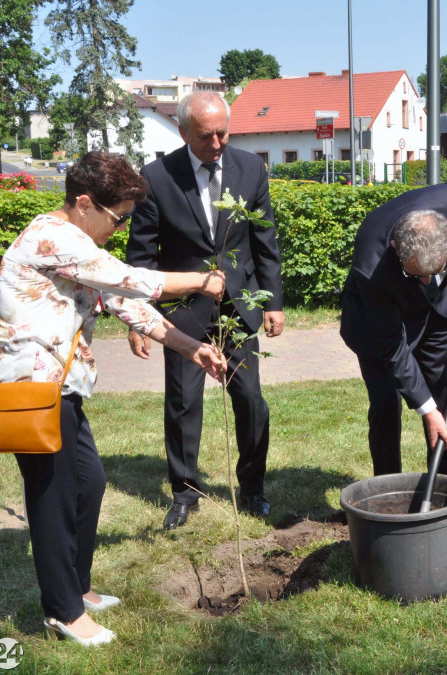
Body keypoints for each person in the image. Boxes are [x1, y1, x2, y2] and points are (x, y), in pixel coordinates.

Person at [0, 151, 227, 645]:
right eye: (118, 217)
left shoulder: (76, 243)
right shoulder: (52, 237)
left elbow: (126, 304)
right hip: (33, 392)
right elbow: (135, 281)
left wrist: (194, 349)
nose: (121, 228)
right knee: (53, 500)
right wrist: (203, 281)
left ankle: (77, 588)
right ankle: (63, 612)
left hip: (61, 388)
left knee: (89, 484)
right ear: (83, 203)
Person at [126, 91, 284, 528]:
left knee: (250, 399)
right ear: (182, 132)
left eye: (223, 133)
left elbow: (263, 240)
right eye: (205, 136)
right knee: (182, 401)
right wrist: (139, 318)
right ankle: (184, 491)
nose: (216, 144)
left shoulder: (250, 168)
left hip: (239, 304)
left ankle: (253, 487)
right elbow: (141, 255)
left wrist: (272, 301)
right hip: (183, 309)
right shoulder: (156, 177)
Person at [340, 184, 447, 477]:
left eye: (435, 272)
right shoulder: (370, 264)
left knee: (442, 402)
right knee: (386, 405)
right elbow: (393, 349)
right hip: (374, 325)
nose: (426, 281)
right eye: (415, 274)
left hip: (433, 312)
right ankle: (386, 491)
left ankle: (443, 490)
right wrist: (426, 410)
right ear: (396, 248)